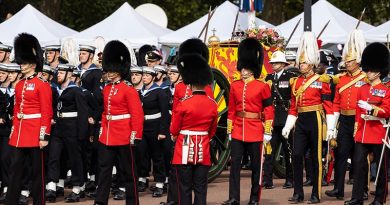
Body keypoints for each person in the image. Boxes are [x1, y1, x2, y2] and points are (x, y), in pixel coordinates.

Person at [282, 31, 334, 204]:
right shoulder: (295, 82)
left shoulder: (322, 80)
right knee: (297, 155)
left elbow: (328, 105)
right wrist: (288, 125)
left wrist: (331, 127)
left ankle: (316, 193)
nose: (300, 65)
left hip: (316, 119)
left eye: (303, 62)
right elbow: (293, 106)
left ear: (311, 64)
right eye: (300, 62)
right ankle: (298, 192)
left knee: (316, 157)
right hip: (301, 120)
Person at [222, 38, 274, 205]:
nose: (242, 71)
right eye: (242, 67)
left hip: (255, 130)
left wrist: (267, 131)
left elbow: (269, 109)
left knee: (256, 168)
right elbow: (231, 109)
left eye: (246, 68)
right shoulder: (235, 85)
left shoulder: (262, 86)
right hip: (238, 129)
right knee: (234, 166)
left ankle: (254, 198)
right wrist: (230, 130)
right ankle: (234, 197)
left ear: (252, 69)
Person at [94, 40, 144, 205]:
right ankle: (100, 201)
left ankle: (132, 201)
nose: (108, 73)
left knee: (128, 172)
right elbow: (105, 112)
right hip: (108, 135)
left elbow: (137, 114)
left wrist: (135, 135)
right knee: (104, 171)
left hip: (124, 135)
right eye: (107, 69)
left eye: (112, 69)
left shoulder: (128, 89)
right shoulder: (107, 88)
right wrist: (102, 129)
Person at [5, 33, 53, 205]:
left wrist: (44, 135)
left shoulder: (42, 85)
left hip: (35, 133)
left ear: (33, 64)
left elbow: (46, 111)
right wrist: (14, 131)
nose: (21, 66)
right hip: (20, 133)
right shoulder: (19, 84)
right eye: (21, 62)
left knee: (37, 173)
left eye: (24, 63)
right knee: (15, 169)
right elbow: (18, 109)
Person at [344, 42, 390, 205]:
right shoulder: (362, 89)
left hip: (378, 132)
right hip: (363, 132)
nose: (367, 72)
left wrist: (371, 109)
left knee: (381, 169)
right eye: (367, 69)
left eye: (370, 70)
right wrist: (356, 130)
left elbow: (387, 110)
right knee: (358, 165)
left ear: (378, 71)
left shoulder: (386, 89)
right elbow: (358, 112)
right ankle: (357, 197)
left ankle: (379, 198)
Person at [325, 29, 367, 200]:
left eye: (349, 61)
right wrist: (333, 125)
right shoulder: (341, 79)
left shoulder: (364, 78)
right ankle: (338, 189)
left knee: (359, 157)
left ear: (357, 62)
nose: (346, 64)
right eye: (346, 61)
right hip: (344, 119)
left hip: (359, 120)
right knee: (341, 154)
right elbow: (336, 101)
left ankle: (362, 188)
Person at [171, 53, 218, 205]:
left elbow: (174, 128)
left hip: (184, 146)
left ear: (190, 84)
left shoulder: (184, 103)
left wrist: (174, 135)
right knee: (200, 187)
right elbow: (213, 129)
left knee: (184, 186)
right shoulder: (212, 104)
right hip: (203, 147)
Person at [45, 64, 89, 203]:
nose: (58, 74)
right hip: (58, 128)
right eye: (58, 72)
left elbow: (83, 113)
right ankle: (51, 186)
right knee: (54, 156)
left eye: (62, 72)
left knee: (74, 159)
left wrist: (82, 134)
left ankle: (77, 188)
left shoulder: (76, 91)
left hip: (72, 128)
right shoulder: (56, 90)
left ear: (69, 75)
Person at [263, 51, 296, 189]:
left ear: (283, 64)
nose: (273, 65)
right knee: (269, 150)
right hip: (272, 117)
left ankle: (290, 179)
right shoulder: (268, 77)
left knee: (288, 150)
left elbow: (293, 97)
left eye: (276, 63)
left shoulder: (290, 77)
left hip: (285, 116)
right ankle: (267, 180)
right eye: (272, 63)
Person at [137, 66, 169, 197]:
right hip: (143, 126)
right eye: (143, 75)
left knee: (157, 156)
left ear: (153, 77)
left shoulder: (159, 92)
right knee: (142, 154)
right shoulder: (140, 92)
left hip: (155, 127)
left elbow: (165, 113)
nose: (144, 77)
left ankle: (160, 183)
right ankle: (142, 179)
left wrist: (162, 131)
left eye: (147, 76)